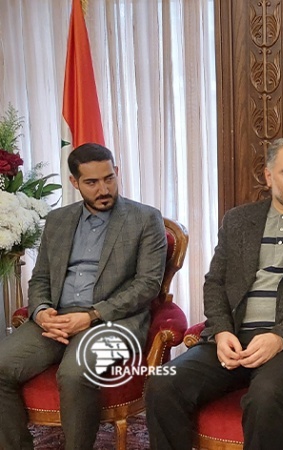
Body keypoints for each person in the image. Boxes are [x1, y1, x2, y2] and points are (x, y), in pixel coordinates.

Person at [146, 136, 283, 450]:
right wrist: (221, 332)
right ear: (269, 176)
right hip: (234, 337)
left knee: (265, 396)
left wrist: (279, 337)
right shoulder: (238, 220)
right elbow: (215, 282)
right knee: (163, 384)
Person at [0, 143, 167, 450]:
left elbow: (147, 286)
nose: (103, 189)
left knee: (75, 373)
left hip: (114, 320)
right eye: (92, 182)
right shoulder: (58, 220)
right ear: (74, 182)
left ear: (117, 172)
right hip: (57, 319)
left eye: (109, 178)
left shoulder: (145, 219)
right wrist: (41, 311)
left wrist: (91, 315)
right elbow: (41, 278)